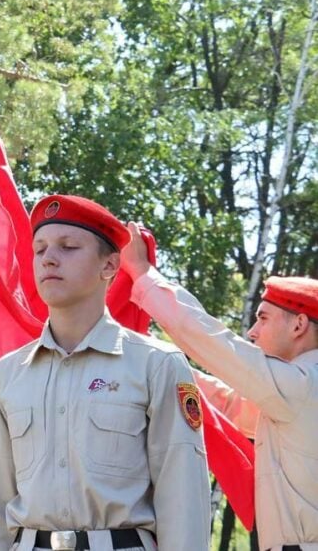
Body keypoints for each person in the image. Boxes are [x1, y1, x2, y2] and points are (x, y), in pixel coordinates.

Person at [0, 195, 211, 551]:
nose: (49, 258)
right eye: (39, 249)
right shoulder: (7, 375)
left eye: (68, 247)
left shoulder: (156, 365)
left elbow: (183, 498)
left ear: (110, 266)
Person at [121, 222, 318, 551]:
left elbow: (213, 343)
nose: (253, 332)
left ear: (298, 324)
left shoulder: (304, 386)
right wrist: (156, 355)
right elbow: (229, 406)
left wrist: (142, 274)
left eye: (264, 318)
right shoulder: (294, 392)